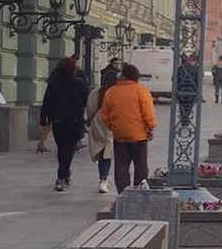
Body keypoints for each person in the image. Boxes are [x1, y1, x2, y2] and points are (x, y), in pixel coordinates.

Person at [101, 63, 156, 193]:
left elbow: (104, 114)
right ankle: (139, 191)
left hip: (120, 135)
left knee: (121, 165)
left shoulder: (111, 92)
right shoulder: (141, 91)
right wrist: (150, 127)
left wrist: (113, 127)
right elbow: (148, 112)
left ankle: (123, 191)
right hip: (139, 135)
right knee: (141, 164)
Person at [40, 55, 89, 191]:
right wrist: (89, 117)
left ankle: (64, 175)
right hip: (75, 121)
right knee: (69, 149)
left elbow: (46, 103)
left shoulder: (53, 83)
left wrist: (43, 120)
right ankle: (62, 177)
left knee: (62, 148)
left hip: (58, 120)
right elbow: (87, 102)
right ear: (74, 69)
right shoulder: (80, 83)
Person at [85, 69, 117, 194]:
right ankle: (104, 180)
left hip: (98, 122)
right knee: (108, 152)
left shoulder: (96, 92)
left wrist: (90, 119)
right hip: (112, 122)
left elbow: (90, 107)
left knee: (103, 153)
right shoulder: (115, 92)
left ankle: (103, 178)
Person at [175, 53, 199, 125]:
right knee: (189, 106)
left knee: (182, 106)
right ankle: (186, 119)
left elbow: (175, 79)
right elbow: (197, 81)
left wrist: (177, 89)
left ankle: (183, 120)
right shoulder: (195, 69)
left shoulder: (179, 69)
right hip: (191, 91)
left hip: (181, 90)